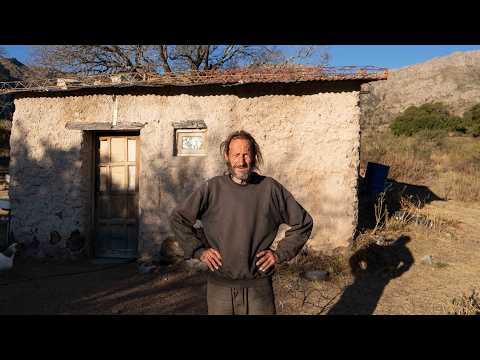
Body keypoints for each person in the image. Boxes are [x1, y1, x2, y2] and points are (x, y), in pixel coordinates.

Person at [169, 130, 313, 315]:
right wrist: (198, 251)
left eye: (246, 154)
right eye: (236, 154)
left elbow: (303, 222)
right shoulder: (212, 188)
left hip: (259, 289)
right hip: (220, 289)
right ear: (227, 156)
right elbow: (178, 218)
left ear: (254, 156)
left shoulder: (270, 189)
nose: (242, 161)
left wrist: (279, 254)